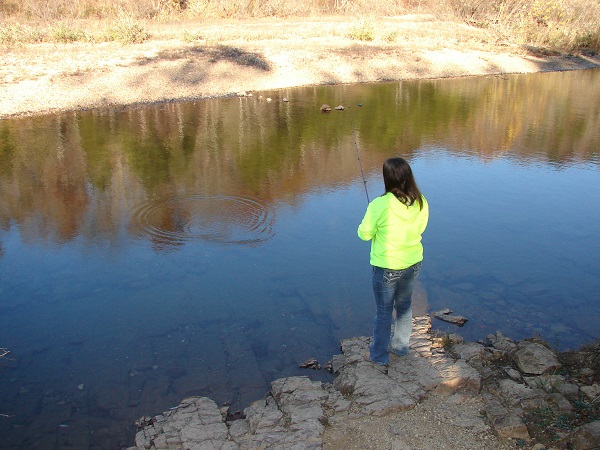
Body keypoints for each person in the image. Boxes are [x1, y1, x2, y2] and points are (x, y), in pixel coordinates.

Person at [357, 157, 429, 366]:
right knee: (405, 305)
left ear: (387, 179)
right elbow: (421, 228)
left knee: (384, 311)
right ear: (408, 177)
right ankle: (401, 347)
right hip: (413, 262)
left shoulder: (379, 204)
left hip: (387, 266)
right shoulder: (421, 201)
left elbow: (364, 234)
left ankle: (379, 356)